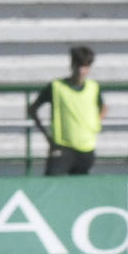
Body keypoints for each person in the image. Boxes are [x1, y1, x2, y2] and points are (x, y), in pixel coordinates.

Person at [28, 45, 106, 175]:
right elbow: (32, 109)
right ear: (72, 65)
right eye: (79, 66)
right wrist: (47, 135)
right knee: (53, 186)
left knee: (79, 190)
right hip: (62, 147)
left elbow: (103, 107)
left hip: (86, 148)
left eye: (86, 67)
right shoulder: (56, 87)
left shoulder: (93, 87)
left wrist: (95, 125)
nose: (82, 71)